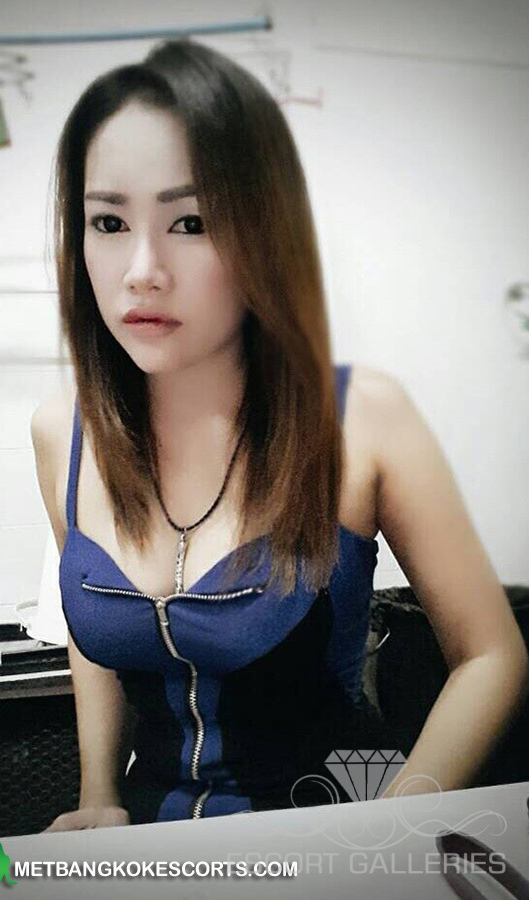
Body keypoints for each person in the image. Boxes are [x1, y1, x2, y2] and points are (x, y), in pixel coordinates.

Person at [31, 38, 528, 831]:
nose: (142, 268)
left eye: (191, 221)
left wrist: (397, 823)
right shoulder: (64, 430)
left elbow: (491, 656)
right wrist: (99, 796)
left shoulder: (362, 418)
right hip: (154, 845)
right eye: (109, 221)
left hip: (331, 829)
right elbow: (93, 641)